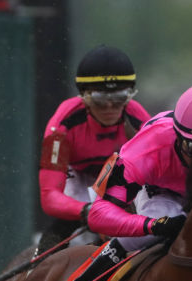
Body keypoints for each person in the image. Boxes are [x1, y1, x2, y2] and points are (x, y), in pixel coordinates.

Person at [65, 83, 192, 281]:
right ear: (177, 136)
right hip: (160, 194)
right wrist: (153, 225)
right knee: (158, 219)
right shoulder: (147, 147)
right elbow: (98, 215)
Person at [36, 45, 150, 253]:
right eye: (99, 101)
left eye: (118, 100)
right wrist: (86, 211)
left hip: (118, 177)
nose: (109, 108)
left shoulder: (140, 120)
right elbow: (49, 195)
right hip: (78, 178)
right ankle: (36, 270)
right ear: (84, 97)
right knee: (58, 231)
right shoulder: (60, 126)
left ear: (129, 96)